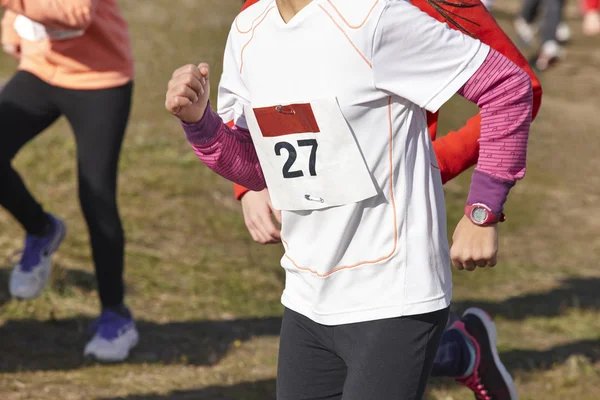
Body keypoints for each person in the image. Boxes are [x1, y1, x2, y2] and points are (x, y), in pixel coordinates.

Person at [166, 0, 533, 398]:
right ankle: (464, 352)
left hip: (395, 295)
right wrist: (200, 123)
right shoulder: (248, 31)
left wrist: (483, 210)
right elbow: (260, 166)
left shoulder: (376, 18)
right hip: (307, 295)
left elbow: (507, 86)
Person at [0, 0, 138, 362]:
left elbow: (76, 12)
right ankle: (41, 229)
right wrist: (11, 23)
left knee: (96, 195)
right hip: (41, 70)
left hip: (100, 79)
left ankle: (115, 316)